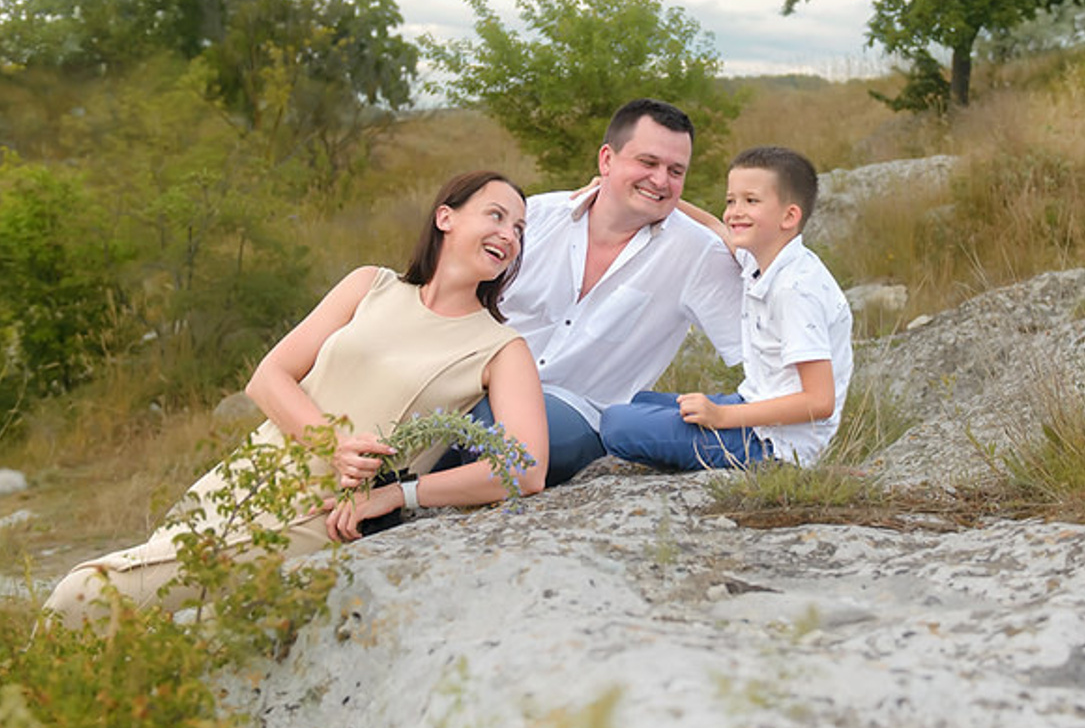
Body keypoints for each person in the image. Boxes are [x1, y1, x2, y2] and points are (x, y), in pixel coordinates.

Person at [45, 171, 548, 629]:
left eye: (520, 229)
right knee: (130, 619)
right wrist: (333, 443)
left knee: (83, 593)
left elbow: (526, 469)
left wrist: (400, 493)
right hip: (246, 477)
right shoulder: (370, 285)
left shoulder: (501, 348)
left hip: (317, 515)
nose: (509, 235)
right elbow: (268, 378)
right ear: (445, 217)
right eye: (496, 216)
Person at [458, 98, 744, 487]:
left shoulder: (697, 254)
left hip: (577, 414)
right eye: (648, 162)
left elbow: (763, 349)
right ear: (606, 160)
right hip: (476, 384)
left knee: (487, 428)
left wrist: (720, 230)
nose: (661, 180)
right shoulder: (536, 217)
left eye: (675, 171)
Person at [599, 145, 853, 470]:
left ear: (789, 216)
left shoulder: (795, 290)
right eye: (731, 200)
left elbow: (819, 401)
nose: (734, 212)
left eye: (751, 201)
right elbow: (713, 226)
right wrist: (628, 192)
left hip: (773, 444)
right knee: (637, 399)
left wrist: (722, 417)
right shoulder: (764, 255)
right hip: (752, 406)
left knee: (617, 423)